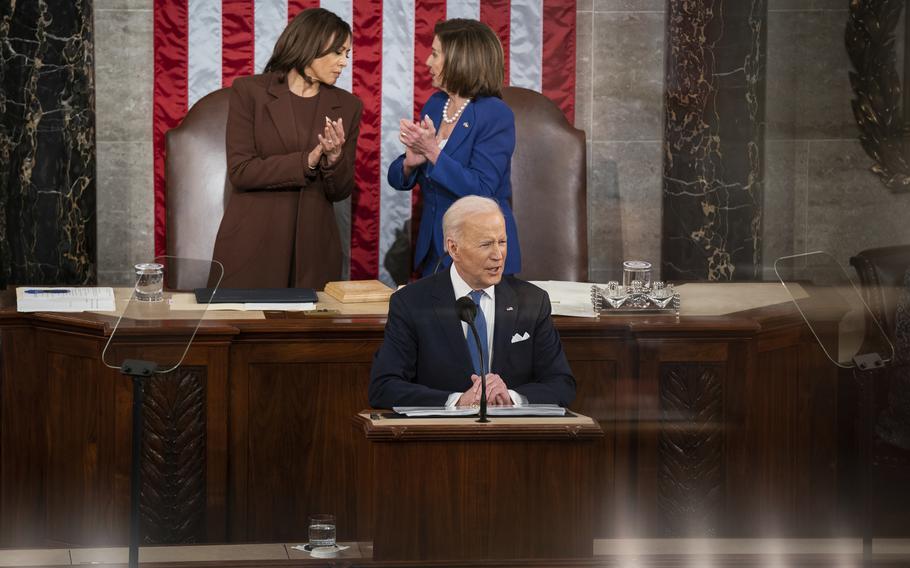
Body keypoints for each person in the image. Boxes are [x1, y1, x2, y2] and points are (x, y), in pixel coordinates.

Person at [368, 196, 575, 409]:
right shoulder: (411, 303)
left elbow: (562, 384)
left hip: (513, 436)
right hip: (441, 437)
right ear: (454, 248)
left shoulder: (532, 302)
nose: (498, 255)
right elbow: (383, 387)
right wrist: (457, 401)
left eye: (502, 242)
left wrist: (511, 397)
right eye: (486, 244)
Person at [210, 8, 362, 289]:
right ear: (310, 46)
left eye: (347, 55)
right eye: (338, 53)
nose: (344, 63)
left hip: (314, 252)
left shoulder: (349, 106)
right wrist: (308, 160)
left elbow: (340, 191)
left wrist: (335, 158)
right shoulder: (249, 92)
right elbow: (242, 171)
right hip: (253, 245)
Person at [387, 19, 521, 278]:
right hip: (435, 249)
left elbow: (482, 189)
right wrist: (409, 163)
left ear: (461, 59)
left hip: (480, 251)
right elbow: (399, 178)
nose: (427, 61)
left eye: (436, 54)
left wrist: (433, 153)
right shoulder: (436, 104)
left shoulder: (495, 114)